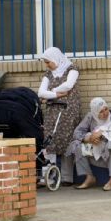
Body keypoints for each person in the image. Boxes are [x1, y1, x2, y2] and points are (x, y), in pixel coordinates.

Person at [38, 47, 81, 186]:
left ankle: (67, 178)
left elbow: (68, 85)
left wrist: (51, 92)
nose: (47, 65)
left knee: (66, 140)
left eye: (48, 62)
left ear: (56, 59)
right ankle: (49, 176)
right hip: (52, 111)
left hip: (68, 110)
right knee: (49, 141)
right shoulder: (48, 74)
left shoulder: (72, 69)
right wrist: (56, 94)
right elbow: (41, 93)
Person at [69, 98, 111, 191]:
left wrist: (102, 135)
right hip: (95, 149)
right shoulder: (90, 117)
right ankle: (89, 177)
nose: (105, 113)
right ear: (95, 113)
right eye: (101, 111)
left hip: (108, 152)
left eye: (106, 109)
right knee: (76, 145)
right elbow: (77, 132)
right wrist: (89, 138)